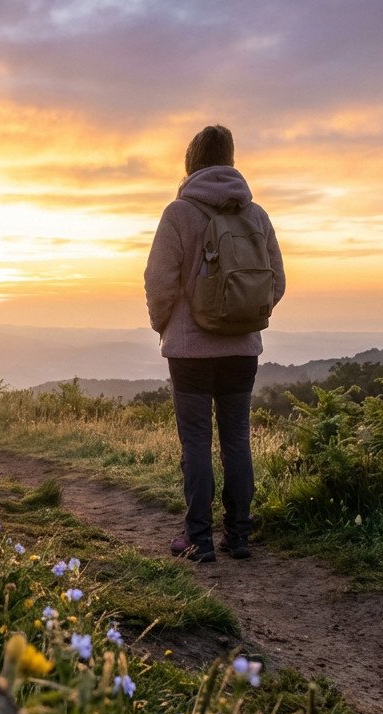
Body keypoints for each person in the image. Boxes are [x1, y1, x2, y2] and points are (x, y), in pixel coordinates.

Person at [143, 125, 285, 563]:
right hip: (242, 350)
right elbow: (275, 282)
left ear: (191, 162)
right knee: (237, 442)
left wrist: (163, 325)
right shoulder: (255, 214)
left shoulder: (178, 213)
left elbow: (158, 281)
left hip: (189, 351)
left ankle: (199, 539)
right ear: (231, 159)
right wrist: (247, 319)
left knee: (197, 444)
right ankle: (239, 536)